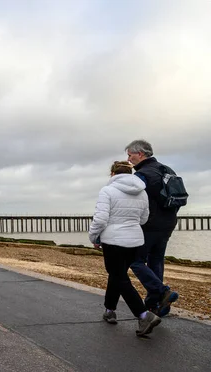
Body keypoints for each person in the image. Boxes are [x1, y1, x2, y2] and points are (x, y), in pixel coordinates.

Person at [89, 161, 161, 337]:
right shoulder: (141, 191)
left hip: (113, 241)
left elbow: (100, 219)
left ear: (113, 174)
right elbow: (143, 219)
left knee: (119, 277)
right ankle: (109, 310)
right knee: (118, 275)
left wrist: (93, 236)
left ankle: (143, 315)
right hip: (135, 241)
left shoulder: (108, 190)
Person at [126, 140, 180, 317]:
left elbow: (135, 202)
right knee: (156, 260)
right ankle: (155, 304)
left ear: (140, 154)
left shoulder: (142, 174)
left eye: (130, 155)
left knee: (135, 260)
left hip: (149, 224)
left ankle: (162, 291)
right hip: (168, 224)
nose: (129, 159)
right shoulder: (167, 170)